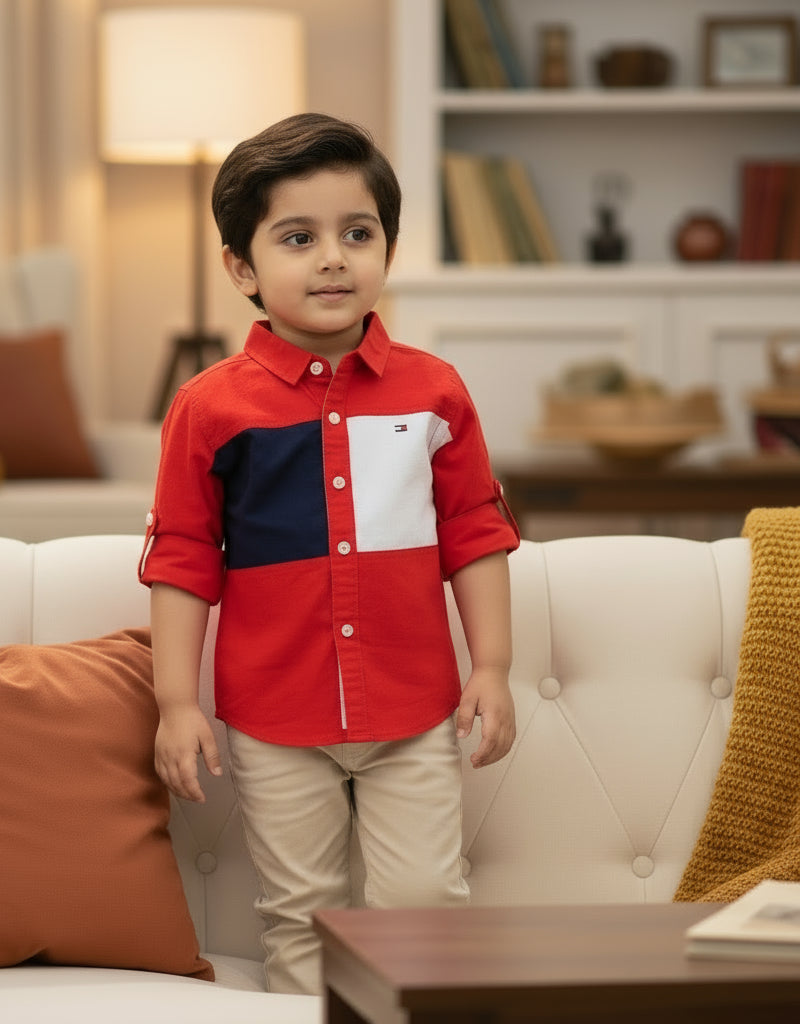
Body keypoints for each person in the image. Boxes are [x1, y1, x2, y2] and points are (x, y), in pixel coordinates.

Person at [139, 112, 519, 995]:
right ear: (242, 266)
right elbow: (184, 556)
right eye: (298, 237)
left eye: (358, 233)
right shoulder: (208, 408)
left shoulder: (435, 391)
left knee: (423, 905)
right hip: (274, 716)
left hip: (415, 708)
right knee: (300, 920)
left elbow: (475, 530)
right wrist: (172, 703)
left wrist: (493, 666)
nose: (334, 258)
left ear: (387, 245)